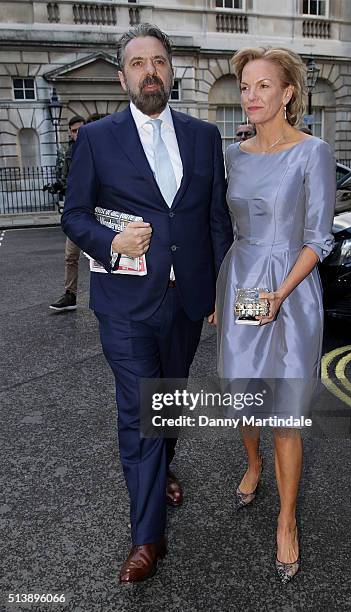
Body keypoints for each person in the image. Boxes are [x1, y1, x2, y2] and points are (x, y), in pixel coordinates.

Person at [61, 24, 233, 583]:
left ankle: (163, 468)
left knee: (171, 398)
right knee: (140, 411)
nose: (150, 71)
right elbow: (75, 215)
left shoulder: (204, 135)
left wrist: (213, 289)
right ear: (122, 77)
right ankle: (146, 536)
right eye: (138, 63)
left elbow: (213, 219)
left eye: (158, 61)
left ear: (171, 70)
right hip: (127, 302)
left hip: (186, 299)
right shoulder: (97, 138)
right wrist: (110, 243)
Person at [216, 46, 335, 583]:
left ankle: (286, 519)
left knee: (285, 408)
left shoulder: (313, 152)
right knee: (242, 393)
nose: (251, 97)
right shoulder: (235, 154)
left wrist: (281, 293)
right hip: (241, 281)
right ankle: (254, 462)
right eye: (245, 87)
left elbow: (318, 238)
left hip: (291, 288)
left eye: (263, 86)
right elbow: (230, 228)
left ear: (288, 93)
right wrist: (225, 294)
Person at [50, 115, 86, 312]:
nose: (78, 133)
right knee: (71, 255)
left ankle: (117, 296)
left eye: (81, 129)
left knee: (108, 255)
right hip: (77, 211)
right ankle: (70, 295)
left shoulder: (98, 148)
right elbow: (64, 178)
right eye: (74, 131)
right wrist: (59, 185)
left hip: (97, 211)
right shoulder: (67, 155)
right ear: (70, 133)